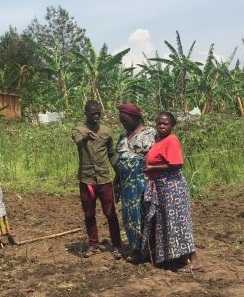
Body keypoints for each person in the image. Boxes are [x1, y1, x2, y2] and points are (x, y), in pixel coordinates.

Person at [143, 112, 201, 271]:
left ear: (172, 125)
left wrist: (152, 168)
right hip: (162, 187)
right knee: (167, 222)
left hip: (172, 187)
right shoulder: (159, 140)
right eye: (159, 123)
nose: (161, 126)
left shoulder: (172, 140)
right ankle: (178, 257)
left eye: (165, 123)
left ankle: (194, 260)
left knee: (179, 223)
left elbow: (176, 164)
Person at [72, 100, 124, 258]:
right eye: (93, 113)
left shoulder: (106, 132)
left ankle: (117, 245)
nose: (96, 116)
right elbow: (77, 141)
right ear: (86, 113)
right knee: (89, 214)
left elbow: (111, 154)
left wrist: (119, 171)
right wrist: (86, 138)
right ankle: (93, 244)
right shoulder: (79, 130)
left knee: (110, 213)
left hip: (104, 179)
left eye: (98, 113)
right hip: (87, 179)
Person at [114, 103, 156, 258]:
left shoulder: (150, 133)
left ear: (136, 117)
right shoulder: (123, 135)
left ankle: (147, 249)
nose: (123, 124)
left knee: (143, 214)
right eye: (121, 121)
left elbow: (156, 157)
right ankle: (135, 247)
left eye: (125, 120)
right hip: (126, 185)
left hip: (143, 182)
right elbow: (120, 159)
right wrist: (116, 181)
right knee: (129, 215)